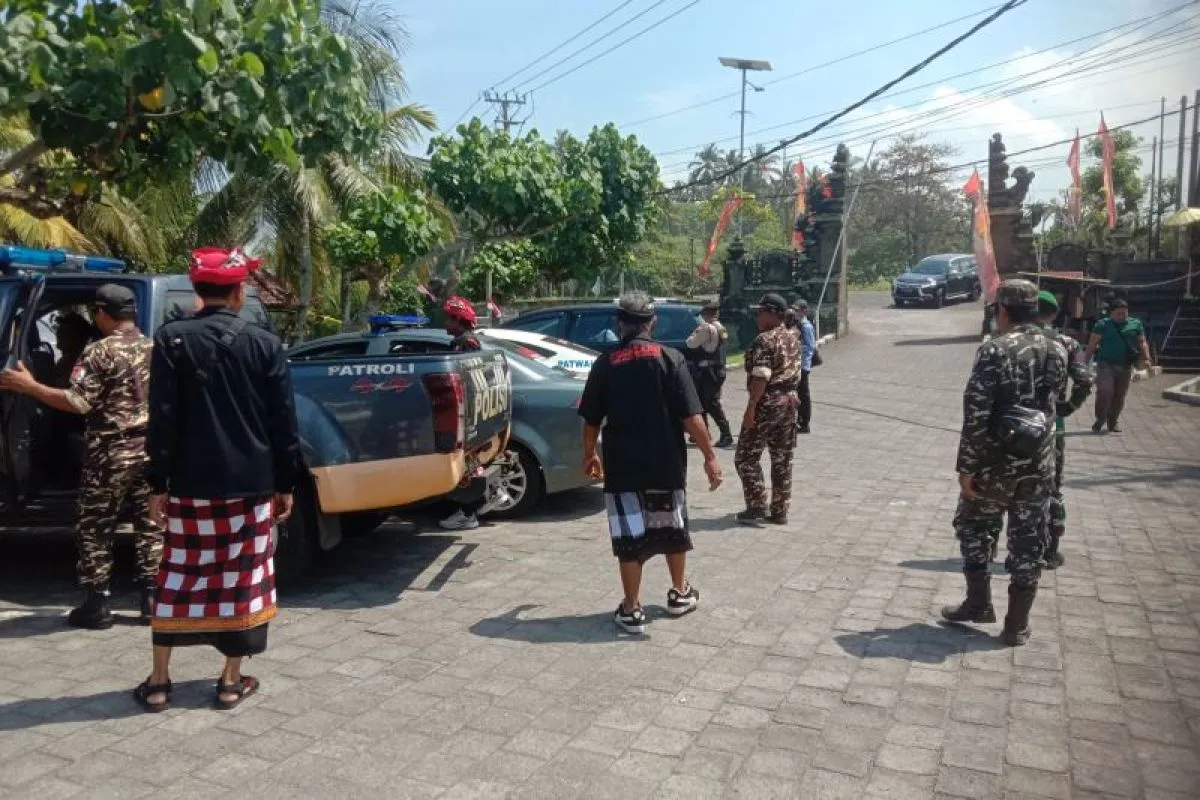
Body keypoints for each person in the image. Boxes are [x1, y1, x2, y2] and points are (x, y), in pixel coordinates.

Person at [138, 247, 300, 713]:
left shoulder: (170, 340)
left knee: (178, 574)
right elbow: (283, 422)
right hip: (249, 484)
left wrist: (157, 483)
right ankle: (230, 681)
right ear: (239, 291)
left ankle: (159, 681)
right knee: (243, 578)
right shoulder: (264, 344)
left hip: (189, 483)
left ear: (196, 289)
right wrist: (285, 482)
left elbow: (162, 419)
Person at [0, 285, 161, 629]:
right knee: (149, 526)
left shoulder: (99, 351)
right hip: (148, 450)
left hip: (109, 453)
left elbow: (78, 402)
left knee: (95, 527)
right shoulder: (154, 347)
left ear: (102, 313)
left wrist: (30, 387)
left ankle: (97, 604)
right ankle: (151, 600)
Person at [579, 292, 721, 634]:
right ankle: (680, 593)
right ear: (652, 322)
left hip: (623, 468)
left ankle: (631, 609)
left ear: (620, 324)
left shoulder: (605, 363)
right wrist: (710, 457)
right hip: (666, 465)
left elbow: (591, 420)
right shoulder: (671, 358)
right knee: (673, 529)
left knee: (628, 537)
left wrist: (589, 454)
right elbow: (692, 416)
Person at [941, 279, 1067, 647]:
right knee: (1029, 541)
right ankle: (1017, 625)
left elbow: (976, 411)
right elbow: (1059, 400)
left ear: (1003, 310)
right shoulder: (1057, 347)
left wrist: (966, 467)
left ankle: (978, 602)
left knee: (974, 527)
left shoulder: (995, 349)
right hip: (1039, 461)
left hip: (995, 464)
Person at [439, 295, 509, 531]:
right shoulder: (471, 341)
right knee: (472, 464)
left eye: (450, 319)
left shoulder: (464, 344)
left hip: (467, 414)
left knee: (466, 467)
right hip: (476, 413)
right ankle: (486, 498)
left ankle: (467, 513)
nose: (446, 323)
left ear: (459, 320)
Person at [1035, 290, 1093, 569]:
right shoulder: (1067, 343)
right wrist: (1068, 407)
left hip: (1012, 426)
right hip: (1051, 425)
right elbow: (1085, 380)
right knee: (1052, 486)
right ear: (1054, 314)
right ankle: (1050, 551)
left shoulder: (1007, 341)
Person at [734, 293, 801, 526]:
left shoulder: (765, 340)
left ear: (773, 314)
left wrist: (751, 407)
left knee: (745, 457)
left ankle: (757, 506)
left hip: (768, 402)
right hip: (790, 402)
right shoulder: (793, 338)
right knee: (782, 458)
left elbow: (761, 376)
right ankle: (780, 510)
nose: (757, 316)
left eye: (761, 312)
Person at [1084, 298, 1151, 434]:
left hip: (1126, 365)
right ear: (1111, 313)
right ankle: (1100, 418)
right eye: (1118, 313)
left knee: (1119, 395)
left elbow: (1142, 342)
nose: (1121, 316)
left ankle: (1113, 421)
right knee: (1105, 391)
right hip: (1105, 364)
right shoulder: (1102, 325)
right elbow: (1092, 345)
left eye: (1124, 313)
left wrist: (1146, 358)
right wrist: (1084, 362)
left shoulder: (1135, 324)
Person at [684, 300, 733, 448]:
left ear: (706, 314)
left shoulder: (706, 328)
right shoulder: (720, 327)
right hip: (716, 370)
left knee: (711, 404)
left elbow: (690, 343)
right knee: (703, 402)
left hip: (707, 371)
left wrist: (695, 332)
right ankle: (702, 433)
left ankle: (726, 435)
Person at [792, 299, 817, 434]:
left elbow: (810, 346)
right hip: (796, 363)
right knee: (797, 393)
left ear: (804, 311)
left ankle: (804, 423)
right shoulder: (796, 324)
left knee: (803, 394)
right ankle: (798, 420)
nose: (796, 312)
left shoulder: (806, 326)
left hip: (803, 364)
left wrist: (796, 347)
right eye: (795, 310)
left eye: (798, 310)